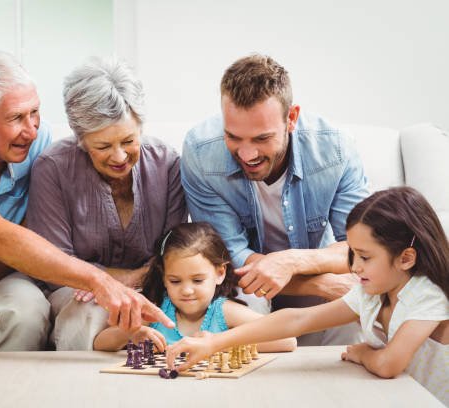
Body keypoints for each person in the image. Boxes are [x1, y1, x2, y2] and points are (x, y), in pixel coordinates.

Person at [0, 52, 173, 352]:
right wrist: (98, 280)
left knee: (24, 313)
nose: (32, 130)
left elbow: (25, 230)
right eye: (16, 118)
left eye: (35, 112)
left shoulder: (35, 143)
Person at [167, 187, 448, 405]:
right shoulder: (373, 293)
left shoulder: (428, 294)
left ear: (406, 258)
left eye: (364, 256)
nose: (354, 266)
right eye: (351, 253)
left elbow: (388, 365)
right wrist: (215, 342)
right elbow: (298, 319)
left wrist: (364, 353)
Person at [181, 54, 368, 345]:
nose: (246, 154)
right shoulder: (200, 153)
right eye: (233, 137)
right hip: (246, 283)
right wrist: (319, 283)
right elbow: (228, 257)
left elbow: (361, 248)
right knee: (249, 303)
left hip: (315, 267)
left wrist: (293, 261)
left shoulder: (335, 151)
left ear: (291, 118)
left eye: (261, 139)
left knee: (352, 307)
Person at [26, 56, 187, 350]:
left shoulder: (167, 163)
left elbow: (173, 250)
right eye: (102, 146)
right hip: (79, 290)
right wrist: (112, 281)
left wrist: (138, 281)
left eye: (128, 141)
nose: (119, 157)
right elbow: (57, 263)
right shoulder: (53, 168)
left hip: (156, 283)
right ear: (81, 138)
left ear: (140, 125)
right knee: (87, 312)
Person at [93, 222, 296, 353]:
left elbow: (287, 340)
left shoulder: (223, 312)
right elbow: (100, 343)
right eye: (175, 281)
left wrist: (219, 343)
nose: (187, 290)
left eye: (197, 280)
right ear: (163, 277)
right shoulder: (155, 311)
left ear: (219, 273)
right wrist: (130, 333)